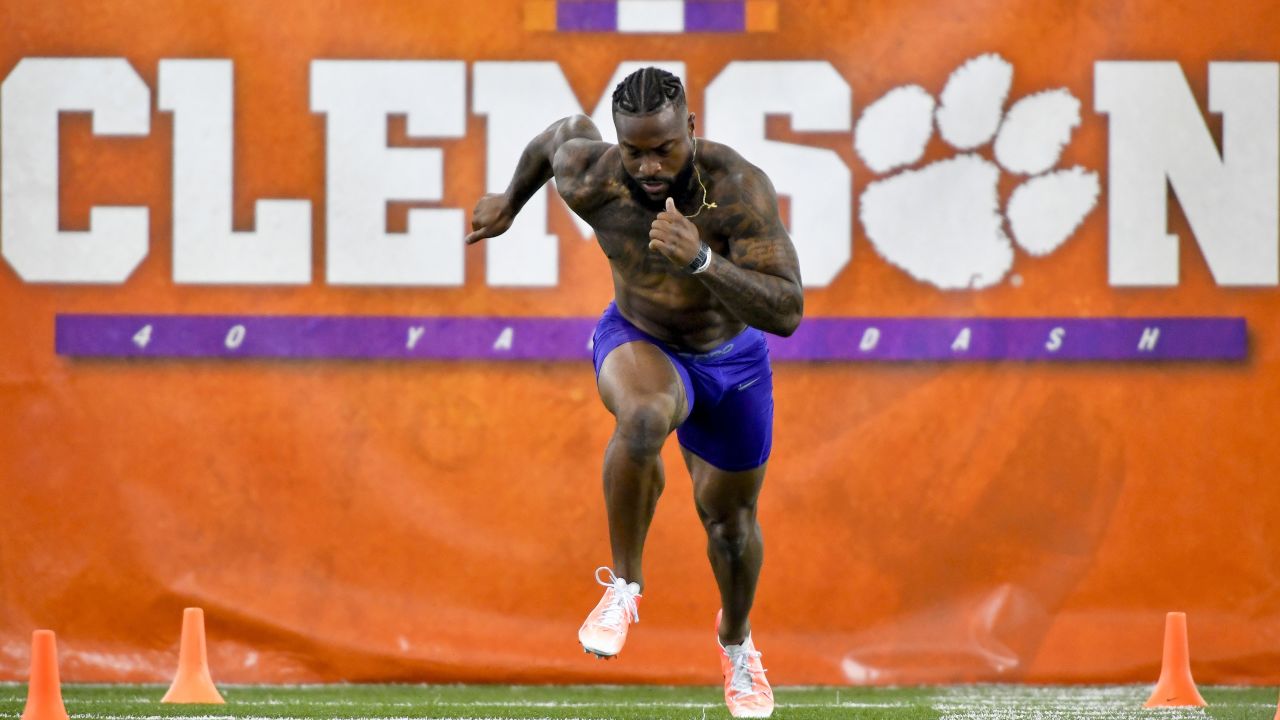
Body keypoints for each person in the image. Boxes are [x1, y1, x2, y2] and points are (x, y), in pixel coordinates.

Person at [466, 67, 802, 719]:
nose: (649, 166)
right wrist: (510, 201)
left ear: (692, 131)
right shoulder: (593, 177)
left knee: (729, 525)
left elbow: (787, 310)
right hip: (638, 335)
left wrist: (703, 260)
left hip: (731, 361)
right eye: (635, 150)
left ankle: (736, 642)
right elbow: (557, 138)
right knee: (644, 415)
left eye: (665, 149)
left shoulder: (738, 191)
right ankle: (624, 583)